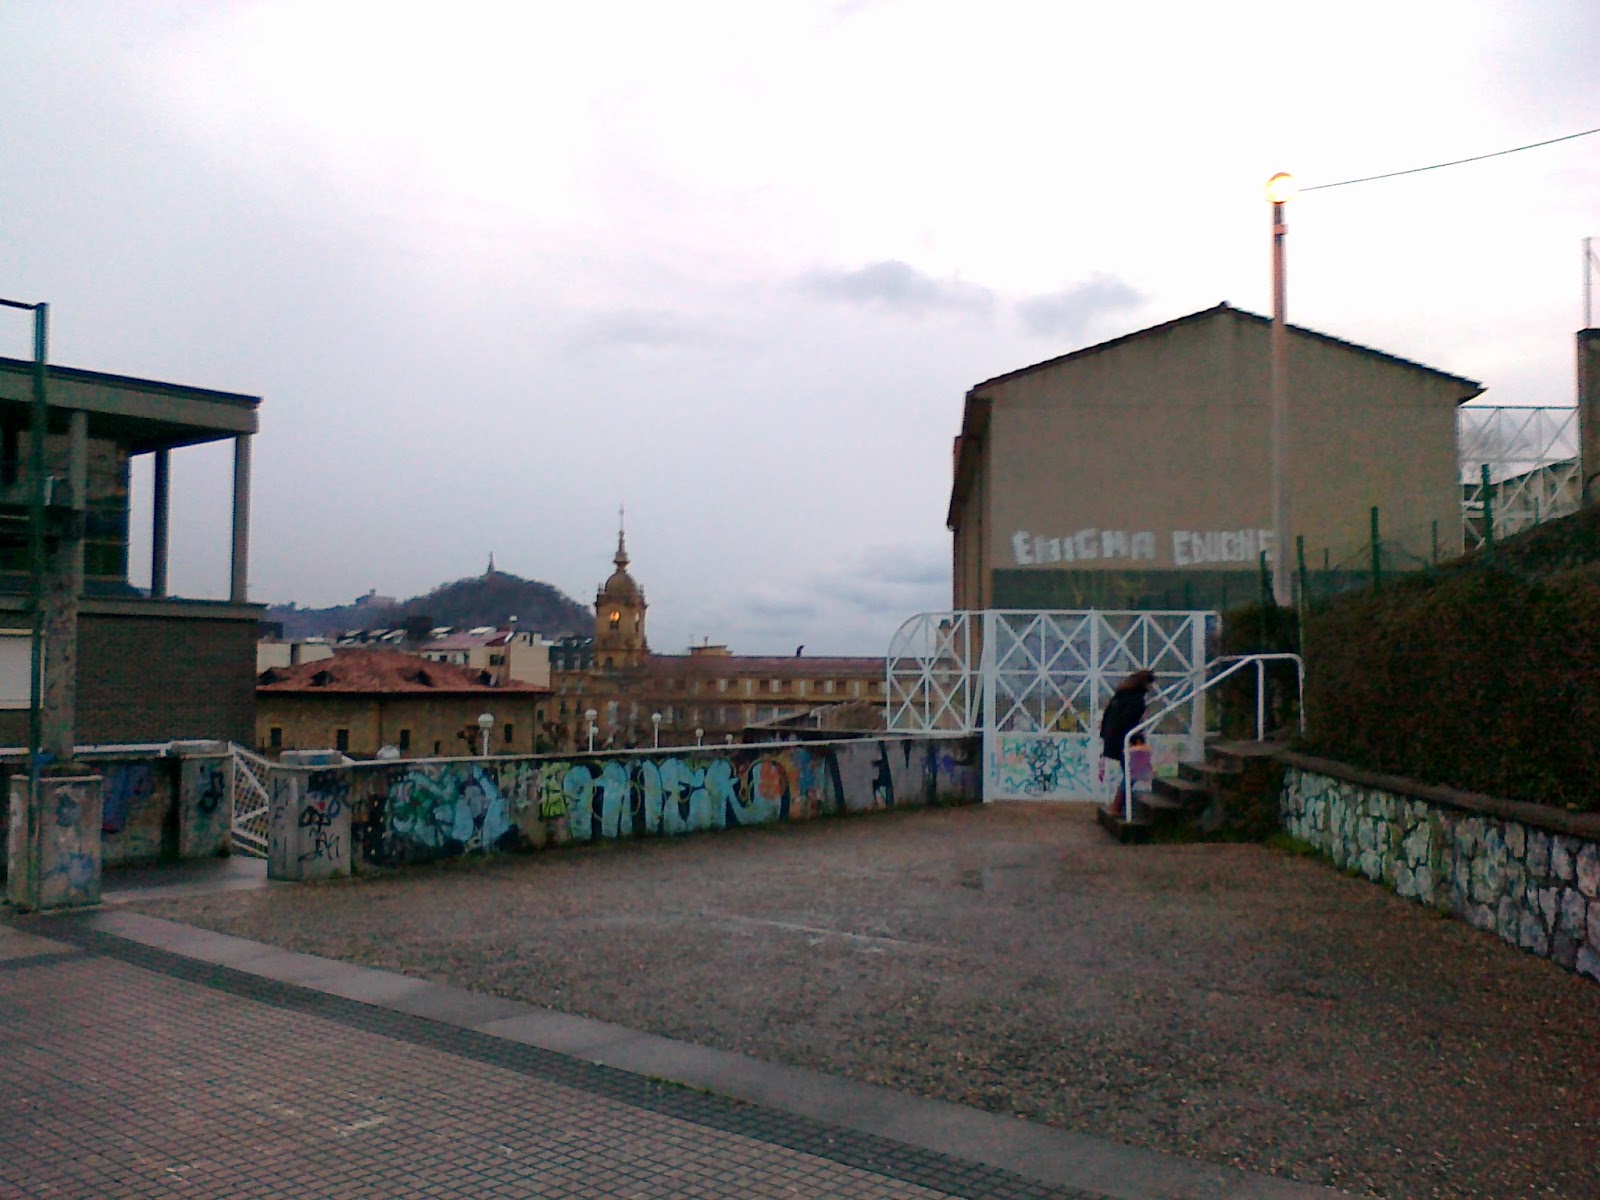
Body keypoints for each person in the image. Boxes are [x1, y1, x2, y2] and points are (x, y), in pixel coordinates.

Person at [1099, 668, 1157, 774]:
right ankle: (1124, 786)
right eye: (1150, 684)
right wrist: (1138, 740)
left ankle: (1123, 786)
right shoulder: (1135, 700)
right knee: (1133, 772)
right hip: (1123, 740)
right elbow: (1130, 721)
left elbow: (1108, 716)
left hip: (1113, 738)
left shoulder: (1121, 695)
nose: (1151, 687)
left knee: (1129, 771)